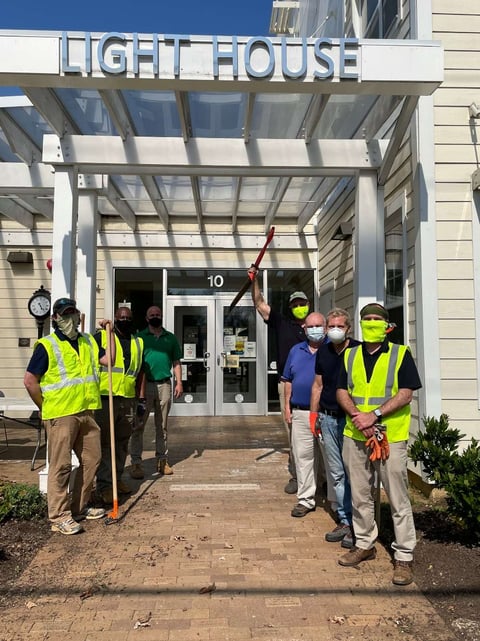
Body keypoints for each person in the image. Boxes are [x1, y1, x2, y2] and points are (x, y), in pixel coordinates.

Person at [336, 302, 422, 586]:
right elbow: (341, 391)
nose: (371, 322)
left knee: (397, 497)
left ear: (387, 325)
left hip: (389, 435)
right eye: (367, 319)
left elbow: (406, 394)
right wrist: (358, 417)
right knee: (361, 495)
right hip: (356, 433)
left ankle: (404, 556)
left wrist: (373, 415)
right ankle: (365, 544)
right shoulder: (349, 355)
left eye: (377, 319)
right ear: (360, 324)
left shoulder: (400, 354)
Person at [23, 297, 114, 535]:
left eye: (73, 313)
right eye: (64, 314)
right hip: (61, 415)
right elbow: (30, 381)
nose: (69, 318)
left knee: (92, 460)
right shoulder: (47, 345)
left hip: (86, 411)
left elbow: (110, 360)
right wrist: (44, 407)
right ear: (55, 318)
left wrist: (109, 333)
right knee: (61, 466)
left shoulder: (88, 341)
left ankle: (78, 508)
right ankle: (59, 516)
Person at [249, 267, 309, 494]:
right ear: (290, 307)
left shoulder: (317, 326)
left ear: (308, 304)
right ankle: (297, 475)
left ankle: (319, 477)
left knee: (318, 432)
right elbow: (260, 303)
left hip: (317, 386)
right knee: (293, 432)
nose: (298, 307)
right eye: (294, 305)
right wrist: (254, 280)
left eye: (302, 303)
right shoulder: (282, 323)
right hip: (289, 386)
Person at [310, 308, 360, 548]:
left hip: (351, 420)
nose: (335, 330)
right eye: (331, 326)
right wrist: (313, 414)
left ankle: (359, 525)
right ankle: (344, 520)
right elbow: (317, 385)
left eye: (340, 326)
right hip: (328, 418)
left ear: (348, 328)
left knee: (355, 473)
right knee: (336, 472)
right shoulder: (323, 352)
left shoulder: (358, 350)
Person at [94, 306, 144, 504]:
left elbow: (139, 372)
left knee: (122, 441)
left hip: (127, 399)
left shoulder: (137, 342)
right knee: (106, 443)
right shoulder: (103, 337)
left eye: (128, 318)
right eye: (121, 317)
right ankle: (105, 485)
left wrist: (141, 400)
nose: (125, 320)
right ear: (115, 319)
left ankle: (117, 478)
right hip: (107, 397)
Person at [130, 305, 183, 479]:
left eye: (158, 314)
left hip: (164, 385)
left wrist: (179, 382)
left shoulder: (171, 339)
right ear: (146, 318)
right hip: (145, 386)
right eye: (152, 314)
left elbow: (176, 362)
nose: (155, 316)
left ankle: (162, 460)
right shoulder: (139, 338)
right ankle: (136, 463)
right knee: (139, 425)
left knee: (162, 426)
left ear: (161, 317)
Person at [282, 311, 327, 517]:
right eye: (311, 326)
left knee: (330, 460)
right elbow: (288, 379)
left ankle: (336, 503)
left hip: (326, 413)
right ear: (304, 329)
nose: (315, 329)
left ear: (326, 327)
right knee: (303, 458)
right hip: (300, 412)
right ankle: (306, 499)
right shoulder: (296, 350)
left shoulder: (333, 349)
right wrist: (287, 406)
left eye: (319, 325)